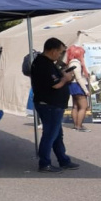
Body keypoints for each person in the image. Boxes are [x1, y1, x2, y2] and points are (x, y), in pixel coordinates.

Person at [30, 37, 80, 173]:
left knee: (56, 134)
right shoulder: (43, 64)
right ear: (52, 50)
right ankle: (44, 163)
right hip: (49, 105)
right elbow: (55, 84)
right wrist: (66, 78)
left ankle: (63, 160)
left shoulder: (47, 63)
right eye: (59, 52)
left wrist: (63, 76)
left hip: (52, 104)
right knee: (50, 134)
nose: (60, 55)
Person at [66, 45, 91, 132]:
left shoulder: (70, 63)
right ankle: (79, 126)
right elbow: (79, 78)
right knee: (83, 107)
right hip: (78, 86)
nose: (83, 56)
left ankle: (76, 125)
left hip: (73, 86)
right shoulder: (76, 63)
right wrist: (86, 90)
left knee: (75, 106)